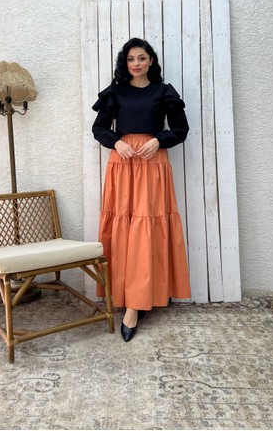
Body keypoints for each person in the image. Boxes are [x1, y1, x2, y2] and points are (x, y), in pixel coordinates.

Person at [92, 37, 191, 342]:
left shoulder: (164, 92)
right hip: (123, 164)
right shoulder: (116, 92)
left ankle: (136, 304)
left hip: (152, 164)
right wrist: (117, 142)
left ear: (151, 61)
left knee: (146, 230)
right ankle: (126, 296)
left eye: (142, 58)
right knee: (123, 230)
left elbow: (181, 129)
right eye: (131, 59)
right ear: (126, 63)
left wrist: (159, 140)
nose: (136, 64)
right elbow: (99, 128)